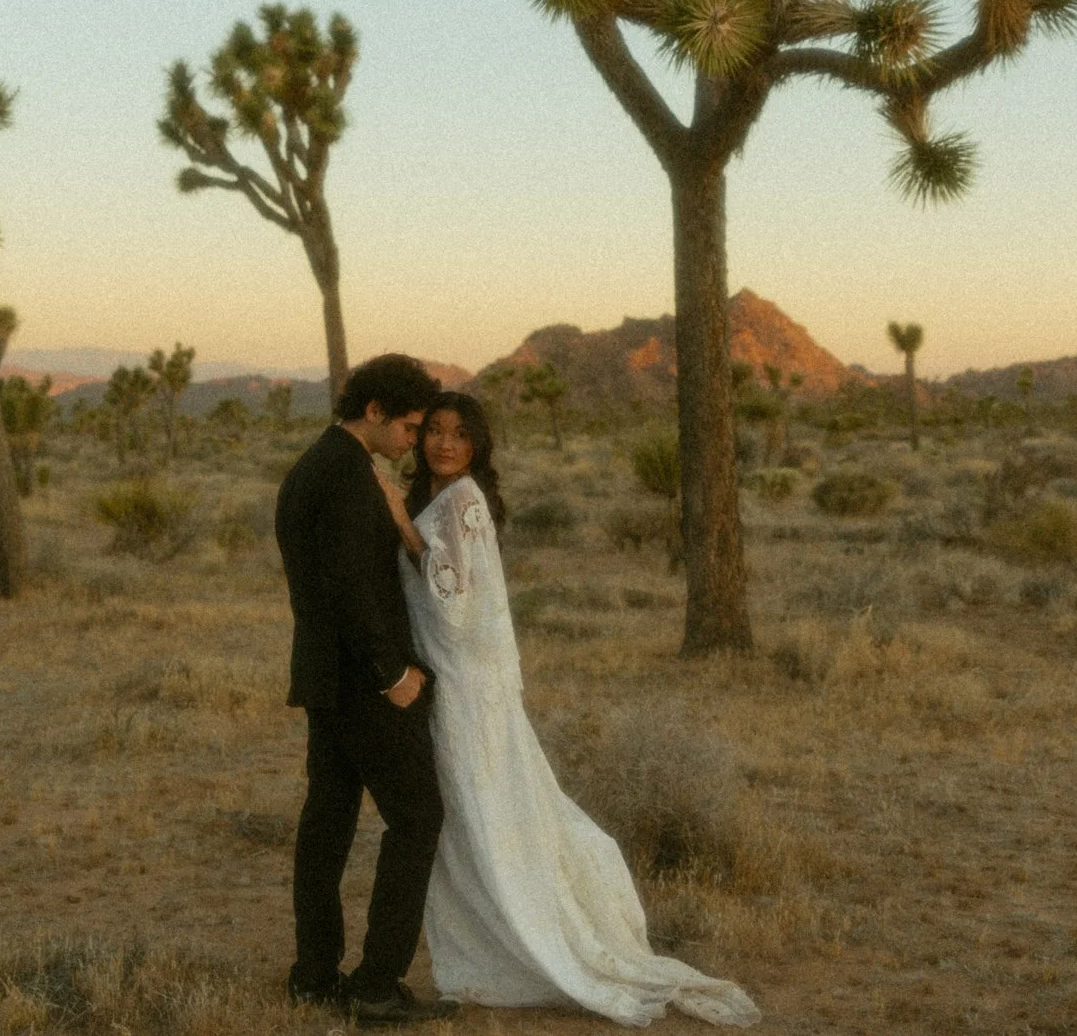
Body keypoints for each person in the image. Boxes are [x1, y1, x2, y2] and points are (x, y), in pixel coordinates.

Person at [376, 392, 761, 1027]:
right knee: (470, 815)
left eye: (459, 434)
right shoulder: (441, 500)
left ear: (477, 446)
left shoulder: (464, 501)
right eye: (434, 431)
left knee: (483, 810)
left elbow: (453, 598)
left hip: (467, 684)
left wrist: (399, 521)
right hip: (452, 678)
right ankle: (490, 950)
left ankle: (528, 945)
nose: (443, 443)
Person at [275, 353, 458, 1026]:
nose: (414, 440)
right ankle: (377, 985)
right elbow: (350, 588)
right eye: (408, 426)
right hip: (362, 682)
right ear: (374, 411)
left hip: (325, 676)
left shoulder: (315, 465)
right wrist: (392, 674)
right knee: (418, 816)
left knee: (327, 823)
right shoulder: (347, 475)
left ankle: (314, 975)